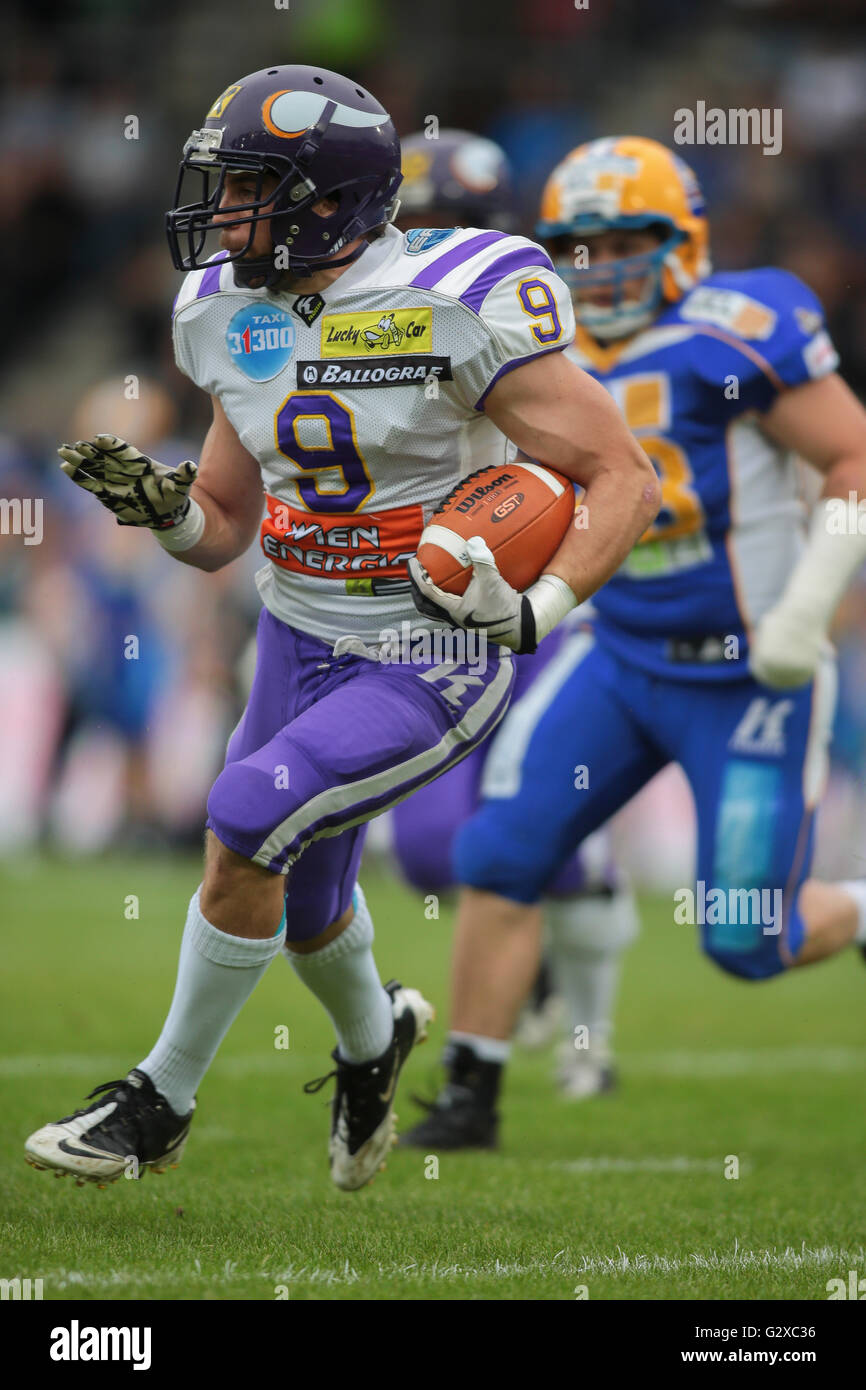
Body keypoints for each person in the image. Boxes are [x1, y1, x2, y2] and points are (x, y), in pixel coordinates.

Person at [23, 78, 658, 1191]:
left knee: (243, 812)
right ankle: (374, 1049)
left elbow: (620, 474)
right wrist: (166, 512)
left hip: (427, 650)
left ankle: (159, 1101)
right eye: (221, 189)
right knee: (302, 900)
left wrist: (533, 608)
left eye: (251, 191)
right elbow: (224, 527)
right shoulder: (225, 306)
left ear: (331, 201)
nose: (223, 217)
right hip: (294, 636)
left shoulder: (461, 295)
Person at [408, 135, 866, 1149]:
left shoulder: (735, 330)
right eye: (579, 243)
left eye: (626, 239)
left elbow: (851, 456)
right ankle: (471, 1092)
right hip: (617, 657)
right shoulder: (542, 350)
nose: (602, 262)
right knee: (498, 850)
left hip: (748, 674)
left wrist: (806, 608)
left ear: (684, 240)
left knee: (747, 942)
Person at [391, 130, 639, 1136]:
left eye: (434, 216)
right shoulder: (359, 326)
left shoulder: (527, 323)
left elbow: (604, 472)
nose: (412, 240)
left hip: (532, 608)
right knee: (423, 847)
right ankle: (548, 932)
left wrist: (555, 593)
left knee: (525, 836)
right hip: (428, 613)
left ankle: (588, 1041)